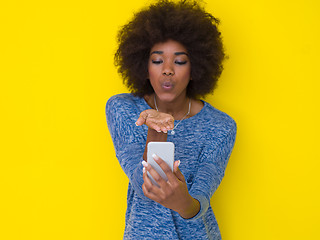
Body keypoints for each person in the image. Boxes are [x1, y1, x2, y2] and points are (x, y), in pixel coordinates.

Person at [105, 0, 237, 239]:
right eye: (157, 61)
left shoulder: (221, 127)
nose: (167, 69)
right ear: (144, 66)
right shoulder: (122, 109)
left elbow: (201, 200)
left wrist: (182, 202)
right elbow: (141, 182)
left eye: (179, 61)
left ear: (195, 67)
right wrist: (156, 129)